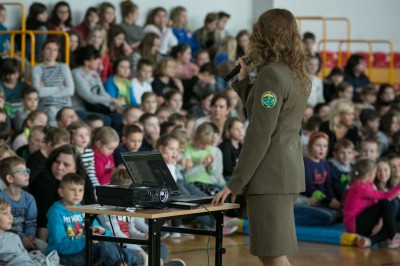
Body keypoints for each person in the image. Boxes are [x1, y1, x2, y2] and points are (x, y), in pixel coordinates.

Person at [212, 9, 311, 266]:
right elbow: (265, 114)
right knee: (272, 252)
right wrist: (245, 82)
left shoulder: (271, 74)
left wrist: (236, 183)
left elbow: (259, 133)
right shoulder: (296, 72)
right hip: (284, 170)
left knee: (271, 253)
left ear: (264, 35)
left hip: (269, 174)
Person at [46, 173, 137, 265]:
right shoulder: (56, 213)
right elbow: (61, 247)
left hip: (84, 252)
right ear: (61, 192)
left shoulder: (81, 209)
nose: (77, 193)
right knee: (101, 244)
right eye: (72, 190)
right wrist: (88, 240)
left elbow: (107, 234)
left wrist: (101, 232)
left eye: (80, 190)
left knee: (112, 244)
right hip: (64, 256)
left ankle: (136, 260)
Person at [30, 145, 96, 241]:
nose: (60, 167)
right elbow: (43, 219)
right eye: (57, 162)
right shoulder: (45, 179)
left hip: (83, 231)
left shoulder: (82, 178)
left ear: (75, 168)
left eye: (66, 165)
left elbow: (92, 209)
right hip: (60, 238)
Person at [343, 158, 400, 248]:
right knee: (385, 203)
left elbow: (375, 204)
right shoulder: (359, 187)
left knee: (395, 224)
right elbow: (386, 196)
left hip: (362, 221)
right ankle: (392, 236)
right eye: (375, 172)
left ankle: (370, 241)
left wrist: (380, 222)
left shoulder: (368, 185)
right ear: (369, 175)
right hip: (355, 224)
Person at [0, 156, 47, 253]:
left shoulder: (29, 199)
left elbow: (31, 223)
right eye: (22, 172)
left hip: (27, 238)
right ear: (10, 178)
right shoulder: (1, 198)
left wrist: (30, 238)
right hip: (5, 237)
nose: (27, 174)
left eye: (27, 170)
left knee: (45, 247)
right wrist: (21, 238)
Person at [31, 40, 74, 126]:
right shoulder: (37, 69)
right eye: (48, 49)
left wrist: (46, 91)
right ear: (43, 51)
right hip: (46, 107)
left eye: (55, 50)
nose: (52, 52)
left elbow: (70, 91)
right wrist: (59, 88)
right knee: (51, 113)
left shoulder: (64, 67)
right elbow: (39, 92)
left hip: (64, 107)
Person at [0, 198, 36, 265]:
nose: (11, 217)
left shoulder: (14, 236)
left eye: (10, 212)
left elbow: (25, 254)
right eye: (5, 213)